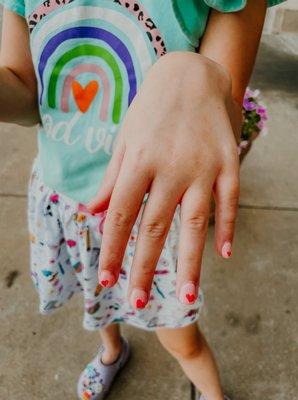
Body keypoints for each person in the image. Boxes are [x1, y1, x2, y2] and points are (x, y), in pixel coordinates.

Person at [0, 0, 283, 399]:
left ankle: (212, 393)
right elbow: (27, 93)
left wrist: (197, 72)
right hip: (63, 194)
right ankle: (112, 352)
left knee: (182, 340)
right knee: (97, 301)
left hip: (151, 213)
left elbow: (227, 108)